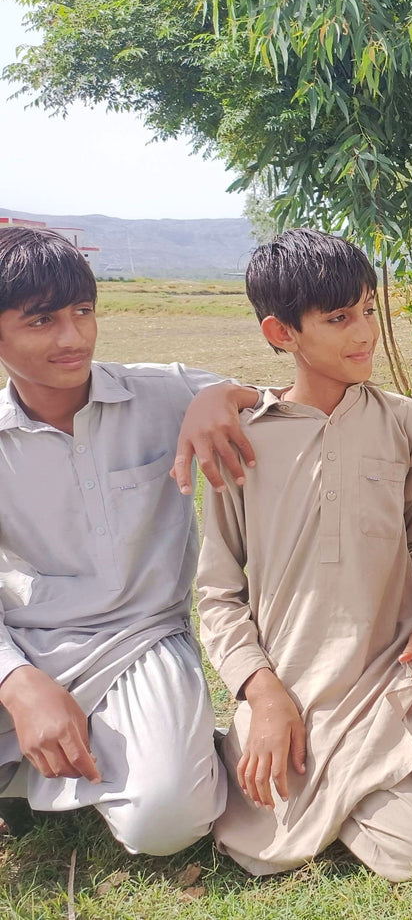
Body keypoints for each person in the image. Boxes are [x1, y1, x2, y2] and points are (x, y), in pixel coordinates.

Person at [194, 228, 412, 880]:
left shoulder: (405, 421)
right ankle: (364, 788)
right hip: (298, 687)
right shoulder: (242, 440)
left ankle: (354, 785)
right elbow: (217, 592)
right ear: (281, 333)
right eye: (338, 319)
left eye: (368, 309)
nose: (364, 332)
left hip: (403, 664)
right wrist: (263, 693)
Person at [0, 226, 260, 853]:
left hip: (144, 637)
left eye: (82, 312)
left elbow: (272, 401)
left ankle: (43, 771)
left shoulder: (160, 391)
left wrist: (218, 397)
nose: (73, 337)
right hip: (27, 640)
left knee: (166, 823)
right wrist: (16, 682)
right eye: (41, 322)